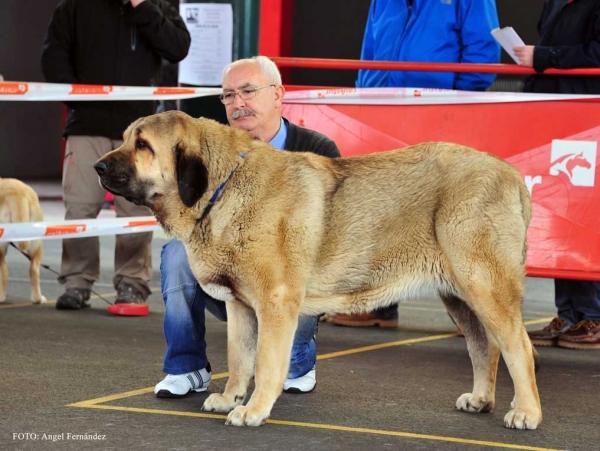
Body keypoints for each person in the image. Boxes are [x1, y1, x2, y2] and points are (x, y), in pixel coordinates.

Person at [153, 56, 341, 397]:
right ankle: (187, 366)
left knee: (299, 260)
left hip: (289, 277)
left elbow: (330, 235)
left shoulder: (318, 149)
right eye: (228, 95)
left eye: (248, 91)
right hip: (225, 271)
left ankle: (297, 362)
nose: (237, 103)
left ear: (278, 95)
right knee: (176, 254)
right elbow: (188, 218)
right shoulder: (207, 152)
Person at [328, 0, 500, 328]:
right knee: (380, 210)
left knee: (453, 214)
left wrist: (450, 101)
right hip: (382, 116)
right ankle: (380, 303)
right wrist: (366, 98)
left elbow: (482, 54)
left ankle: (476, 311)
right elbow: (370, 51)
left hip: (440, 113)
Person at [40, 0, 191, 309]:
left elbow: (178, 47)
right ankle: (77, 282)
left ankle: (132, 284)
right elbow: (53, 56)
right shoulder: (74, 6)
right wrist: (81, 100)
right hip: (86, 125)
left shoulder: (157, 4)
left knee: (135, 211)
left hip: (140, 132)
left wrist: (143, 6)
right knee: (80, 206)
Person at [514, 0, 600, 350]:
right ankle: (568, 316)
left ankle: (592, 316)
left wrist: (544, 57)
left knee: (584, 215)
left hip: (587, 118)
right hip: (555, 117)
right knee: (563, 218)